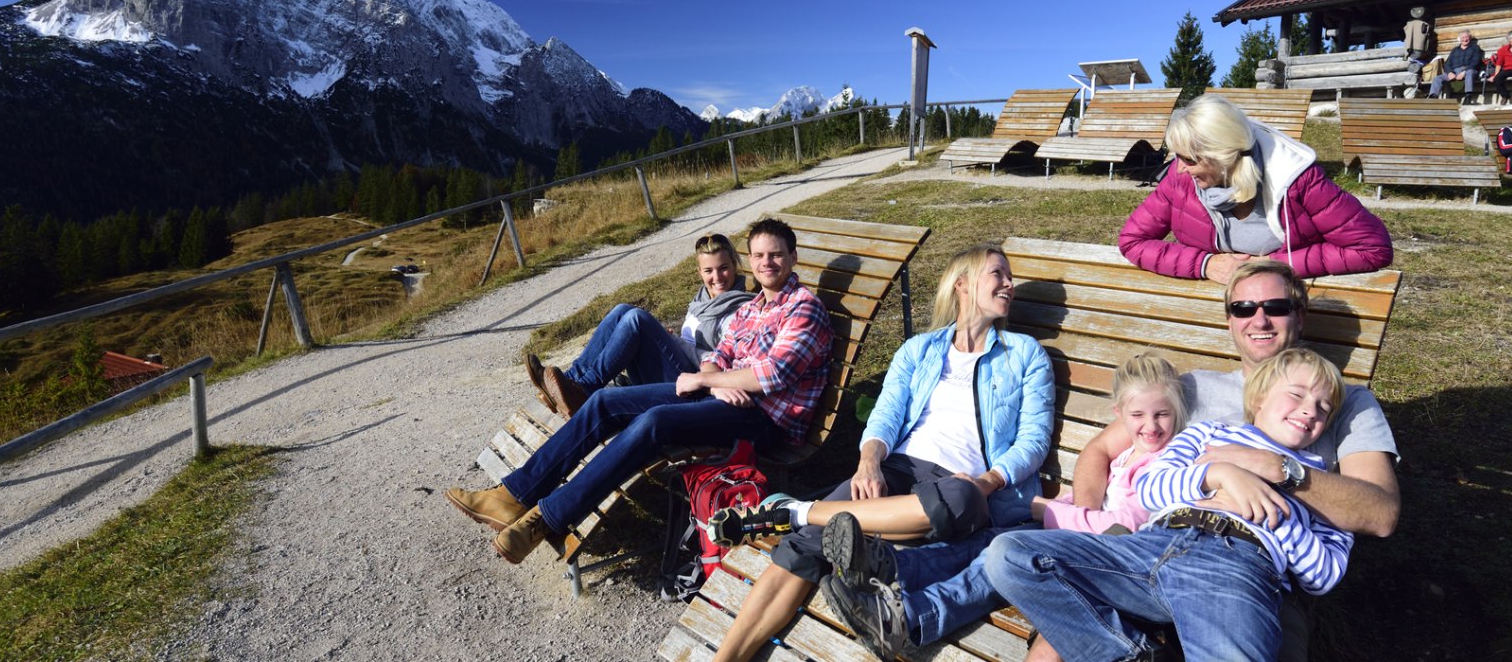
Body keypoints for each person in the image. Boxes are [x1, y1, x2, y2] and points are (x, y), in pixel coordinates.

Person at [705, 245, 1054, 662]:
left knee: (959, 498)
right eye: (998, 273)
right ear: (962, 284)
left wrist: (988, 481)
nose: (1010, 284)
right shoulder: (919, 350)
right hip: (899, 469)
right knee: (802, 548)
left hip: (966, 485)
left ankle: (796, 512)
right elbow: (885, 415)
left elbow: (1034, 440)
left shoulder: (1024, 354)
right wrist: (869, 463)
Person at [444, 218, 833, 564]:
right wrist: (714, 379)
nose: (767, 262)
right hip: (727, 401)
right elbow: (719, 356)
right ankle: (511, 495)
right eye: (760, 255)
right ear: (751, 259)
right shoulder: (750, 310)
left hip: (766, 421)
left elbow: (773, 374)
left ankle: (545, 520)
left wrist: (705, 381)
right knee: (604, 401)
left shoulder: (804, 308)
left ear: (793, 257)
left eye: (776, 254)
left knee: (655, 421)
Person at [1070, 260, 1400, 662]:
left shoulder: (1346, 402)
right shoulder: (1194, 387)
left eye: (1276, 306)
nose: (1259, 319)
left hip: (1265, 573)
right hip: (1156, 545)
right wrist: (1087, 519)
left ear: (1299, 316)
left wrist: (1277, 469)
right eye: (1243, 308)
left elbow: (1380, 514)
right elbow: (1100, 450)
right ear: (1230, 321)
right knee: (1063, 623)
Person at [986, 348, 1355, 661]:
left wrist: (1273, 509)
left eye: (1324, 407)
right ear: (1259, 396)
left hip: (1235, 568)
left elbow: (1323, 575)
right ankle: (1134, 653)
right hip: (1151, 546)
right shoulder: (1208, 433)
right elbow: (1150, 487)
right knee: (1011, 555)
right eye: (1297, 395)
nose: (1311, 410)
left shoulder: (1320, 483)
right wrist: (1218, 474)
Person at [814, 353, 1186, 662]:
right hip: (1072, 534)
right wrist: (1057, 510)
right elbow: (1091, 492)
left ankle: (908, 617)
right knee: (984, 543)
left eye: (1162, 415)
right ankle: (888, 567)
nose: (1151, 426)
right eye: (1138, 416)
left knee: (995, 565)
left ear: (1178, 411)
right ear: (1119, 414)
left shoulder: (1165, 463)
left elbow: (1125, 526)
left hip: (1102, 556)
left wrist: (1047, 510)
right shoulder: (1129, 450)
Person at [1118, 94, 1392, 283]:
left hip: (1285, 307)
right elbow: (1132, 240)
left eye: (1189, 160)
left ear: (1225, 156)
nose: (1179, 169)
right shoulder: (1180, 180)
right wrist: (1206, 264)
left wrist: (1275, 265)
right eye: (1177, 157)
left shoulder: (1299, 181)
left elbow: (1372, 248)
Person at [523, 233, 754, 417]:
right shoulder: (703, 300)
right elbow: (690, 338)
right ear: (699, 272)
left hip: (696, 388)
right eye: (709, 270)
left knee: (636, 319)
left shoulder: (739, 311)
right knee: (621, 310)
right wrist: (668, 340)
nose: (717, 277)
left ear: (735, 265)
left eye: (724, 268)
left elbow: (725, 364)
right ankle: (570, 382)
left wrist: (674, 342)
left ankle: (583, 391)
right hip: (678, 371)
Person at [1428, 31, 1484, 101]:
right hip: (1455, 71)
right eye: (1463, 37)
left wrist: (1464, 72)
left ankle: (1468, 96)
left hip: (1468, 70)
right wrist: (1450, 72)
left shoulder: (1475, 48)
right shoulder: (1455, 50)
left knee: (1470, 73)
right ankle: (1433, 96)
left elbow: (1475, 62)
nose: (1465, 39)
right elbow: (1447, 64)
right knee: (1437, 78)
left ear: (1470, 38)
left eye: (1467, 37)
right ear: (1460, 39)